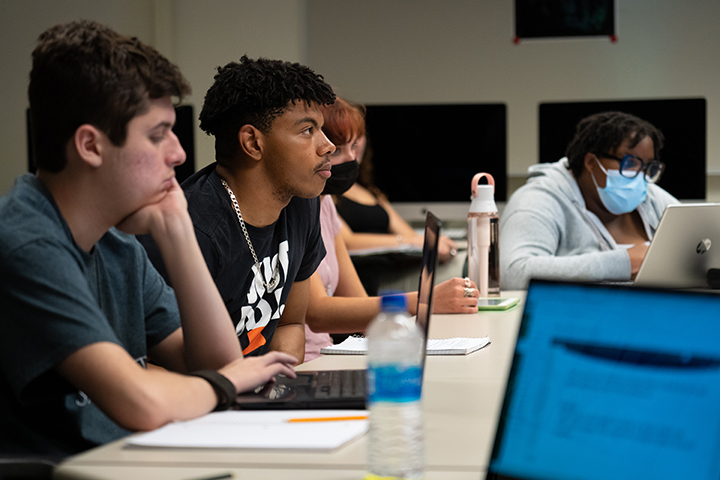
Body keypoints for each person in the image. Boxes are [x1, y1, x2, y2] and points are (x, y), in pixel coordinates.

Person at [0, 21, 296, 459]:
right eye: (158, 135)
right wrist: (230, 382)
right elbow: (141, 400)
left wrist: (175, 228)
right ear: (90, 146)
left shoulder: (114, 243)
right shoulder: (26, 243)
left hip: (123, 459)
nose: (178, 153)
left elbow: (215, 362)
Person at [140, 56, 336, 364]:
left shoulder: (302, 203)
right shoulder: (193, 229)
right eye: (307, 130)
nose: (328, 146)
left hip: (252, 399)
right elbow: (156, 363)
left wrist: (276, 387)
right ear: (253, 143)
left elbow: (291, 323)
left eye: (321, 129)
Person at [304, 98, 479, 361]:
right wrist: (423, 301)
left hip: (329, 354)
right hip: (309, 362)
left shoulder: (324, 204)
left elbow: (359, 306)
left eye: (354, 148)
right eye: (339, 150)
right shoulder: (298, 208)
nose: (352, 160)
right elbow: (319, 314)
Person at [500, 111, 679, 290]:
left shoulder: (651, 197)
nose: (641, 177)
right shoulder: (538, 199)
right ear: (591, 162)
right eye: (630, 163)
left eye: (648, 167)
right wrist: (623, 264)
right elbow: (514, 273)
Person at [334, 108, 458, 265]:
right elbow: (347, 242)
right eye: (344, 137)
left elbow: (409, 235)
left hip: (389, 270)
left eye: (359, 135)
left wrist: (429, 243)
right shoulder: (324, 194)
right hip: (365, 272)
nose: (355, 145)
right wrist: (412, 242)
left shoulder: (368, 191)